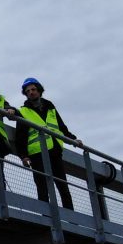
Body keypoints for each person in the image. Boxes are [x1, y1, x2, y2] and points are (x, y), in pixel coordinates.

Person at [15, 76, 77, 209]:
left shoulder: (51, 108)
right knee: (42, 187)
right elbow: (20, 136)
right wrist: (23, 156)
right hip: (37, 154)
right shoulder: (23, 111)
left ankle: (72, 218)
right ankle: (46, 219)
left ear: (39, 91)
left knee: (63, 187)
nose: (31, 92)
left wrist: (73, 139)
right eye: (28, 91)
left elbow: (61, 127)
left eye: (33, 89)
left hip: (54, 151)